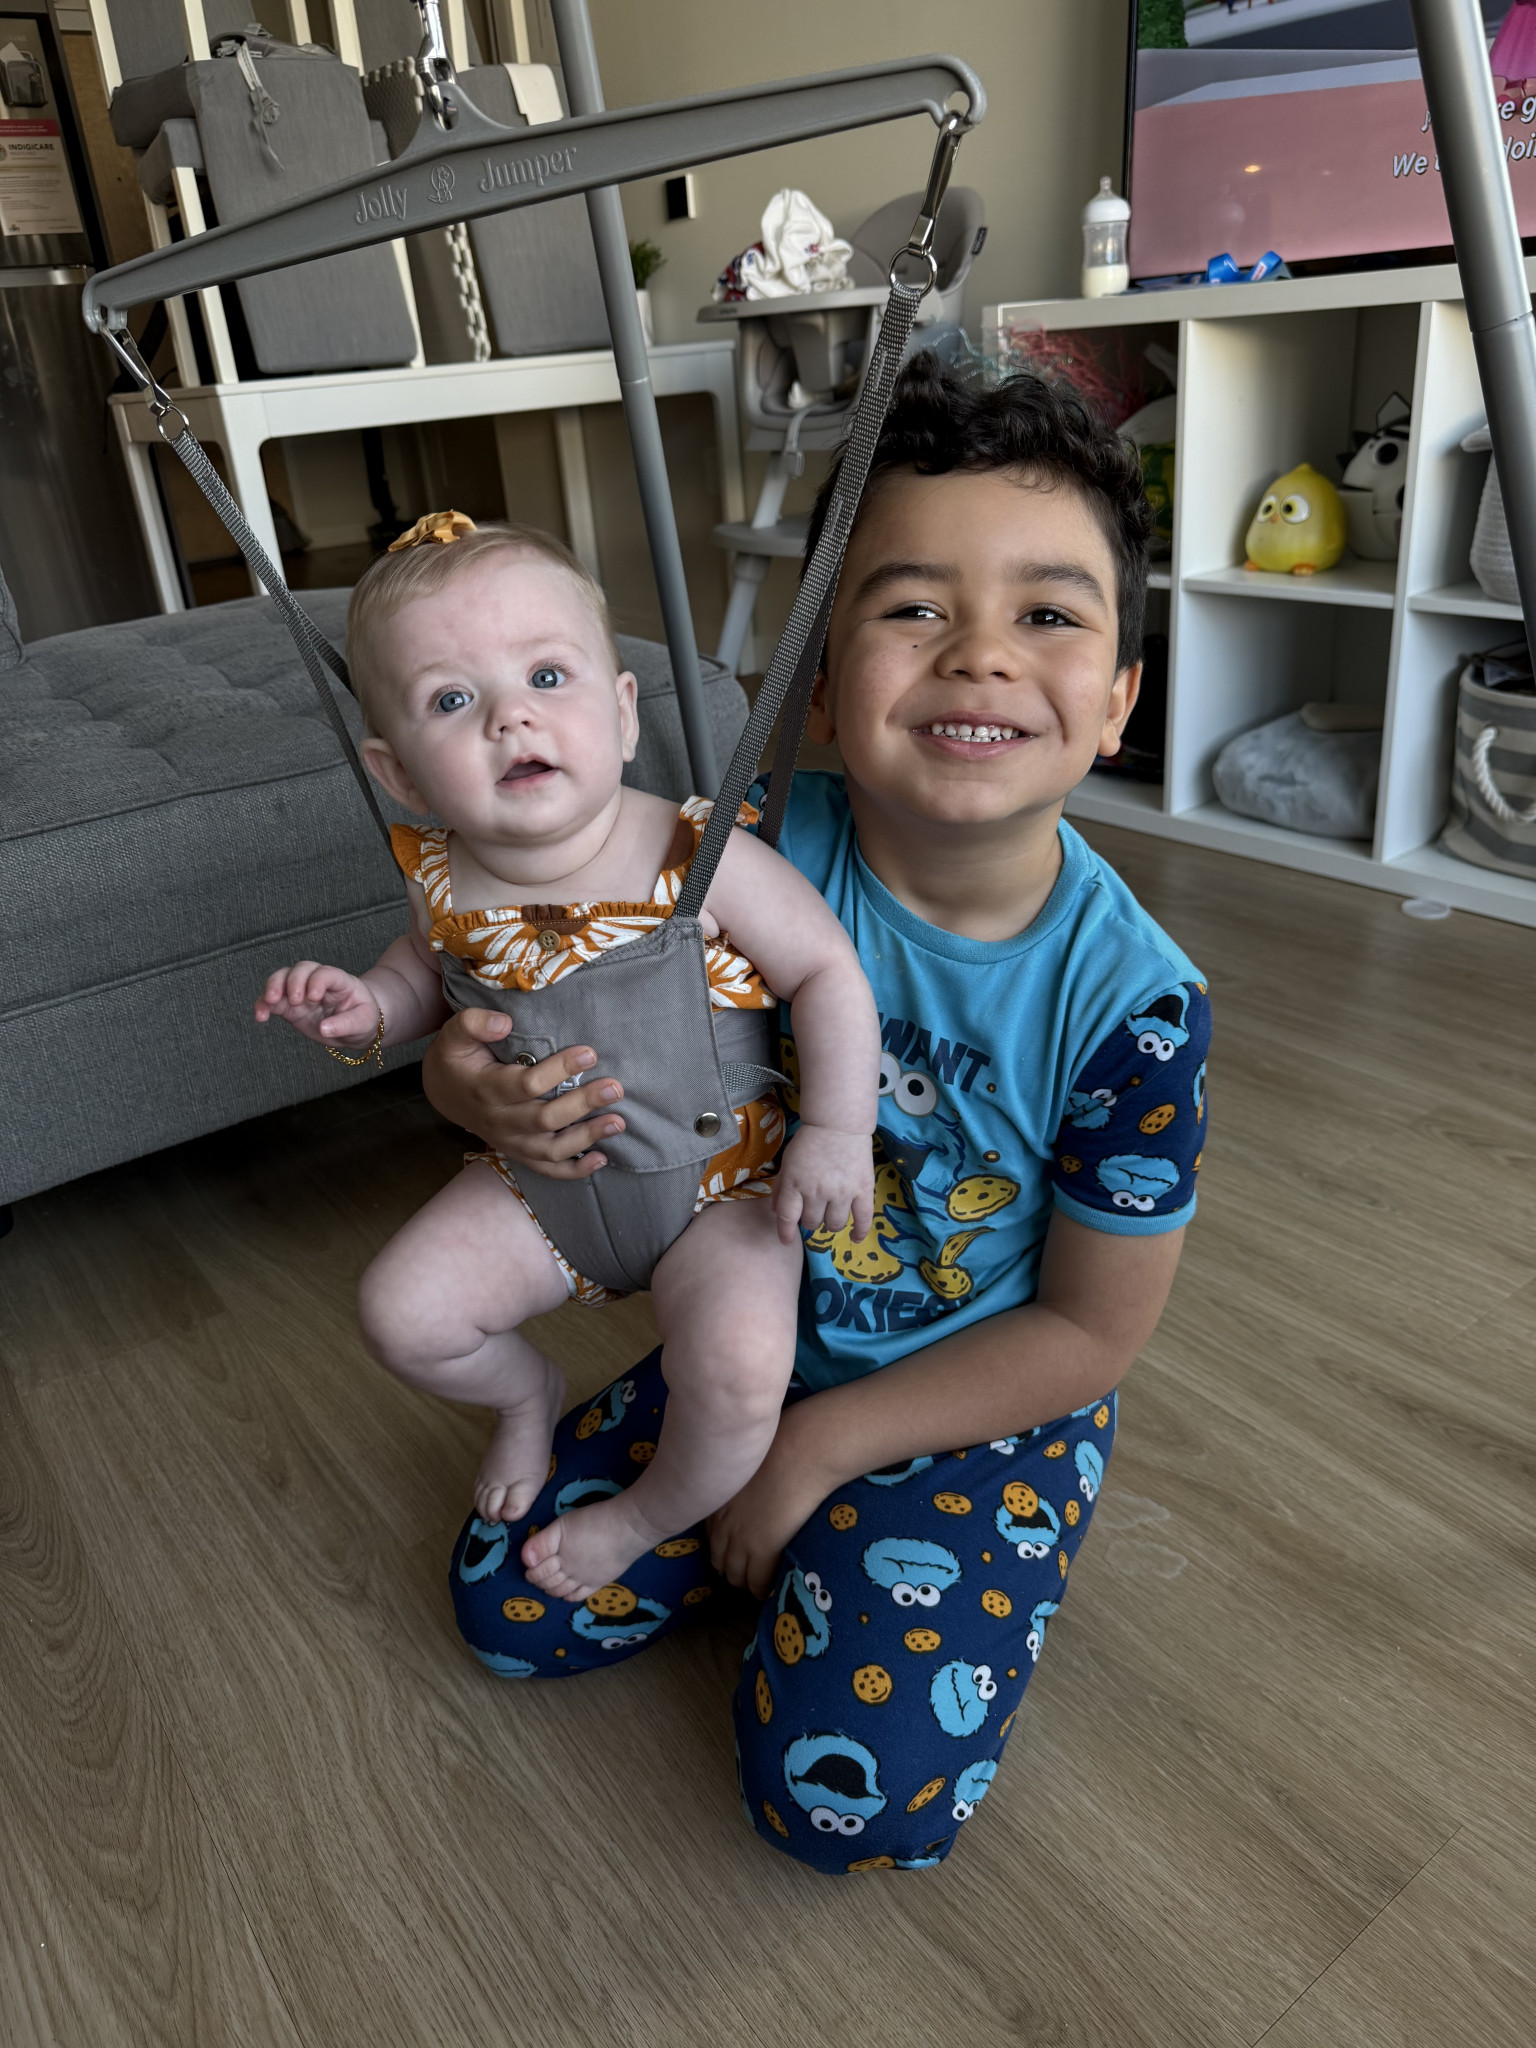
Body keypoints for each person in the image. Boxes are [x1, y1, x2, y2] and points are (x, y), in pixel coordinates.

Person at [423, 361, 1212, 1874]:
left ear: (1120, 699)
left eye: (1050, 615)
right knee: (506, 1605)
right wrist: (469, 1088)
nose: (981, 654)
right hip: (751, 1330)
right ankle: (780, 1541)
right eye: (913, 607)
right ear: (827, 690)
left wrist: (816, 1456)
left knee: (844, 1800)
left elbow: (1088, 1333)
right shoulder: (742, 850)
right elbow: (508, 1005)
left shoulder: (1139, 1010)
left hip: (977, 1402)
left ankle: (846, 1549)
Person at [255, 515, 878, 1601]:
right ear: (398, 773)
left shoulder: (697, 851)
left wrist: (836, 1128)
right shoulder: (441, 880)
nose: (512, 716)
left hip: (720, 1191)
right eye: (453, 700)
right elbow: (422, 982)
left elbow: (827, 971)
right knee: (402, 1312)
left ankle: (644, 1516)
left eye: (547, 675)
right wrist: (366, 1009)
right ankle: (523, 1394)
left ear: (623, 713)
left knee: (739, 1370)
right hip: (541, 1193)